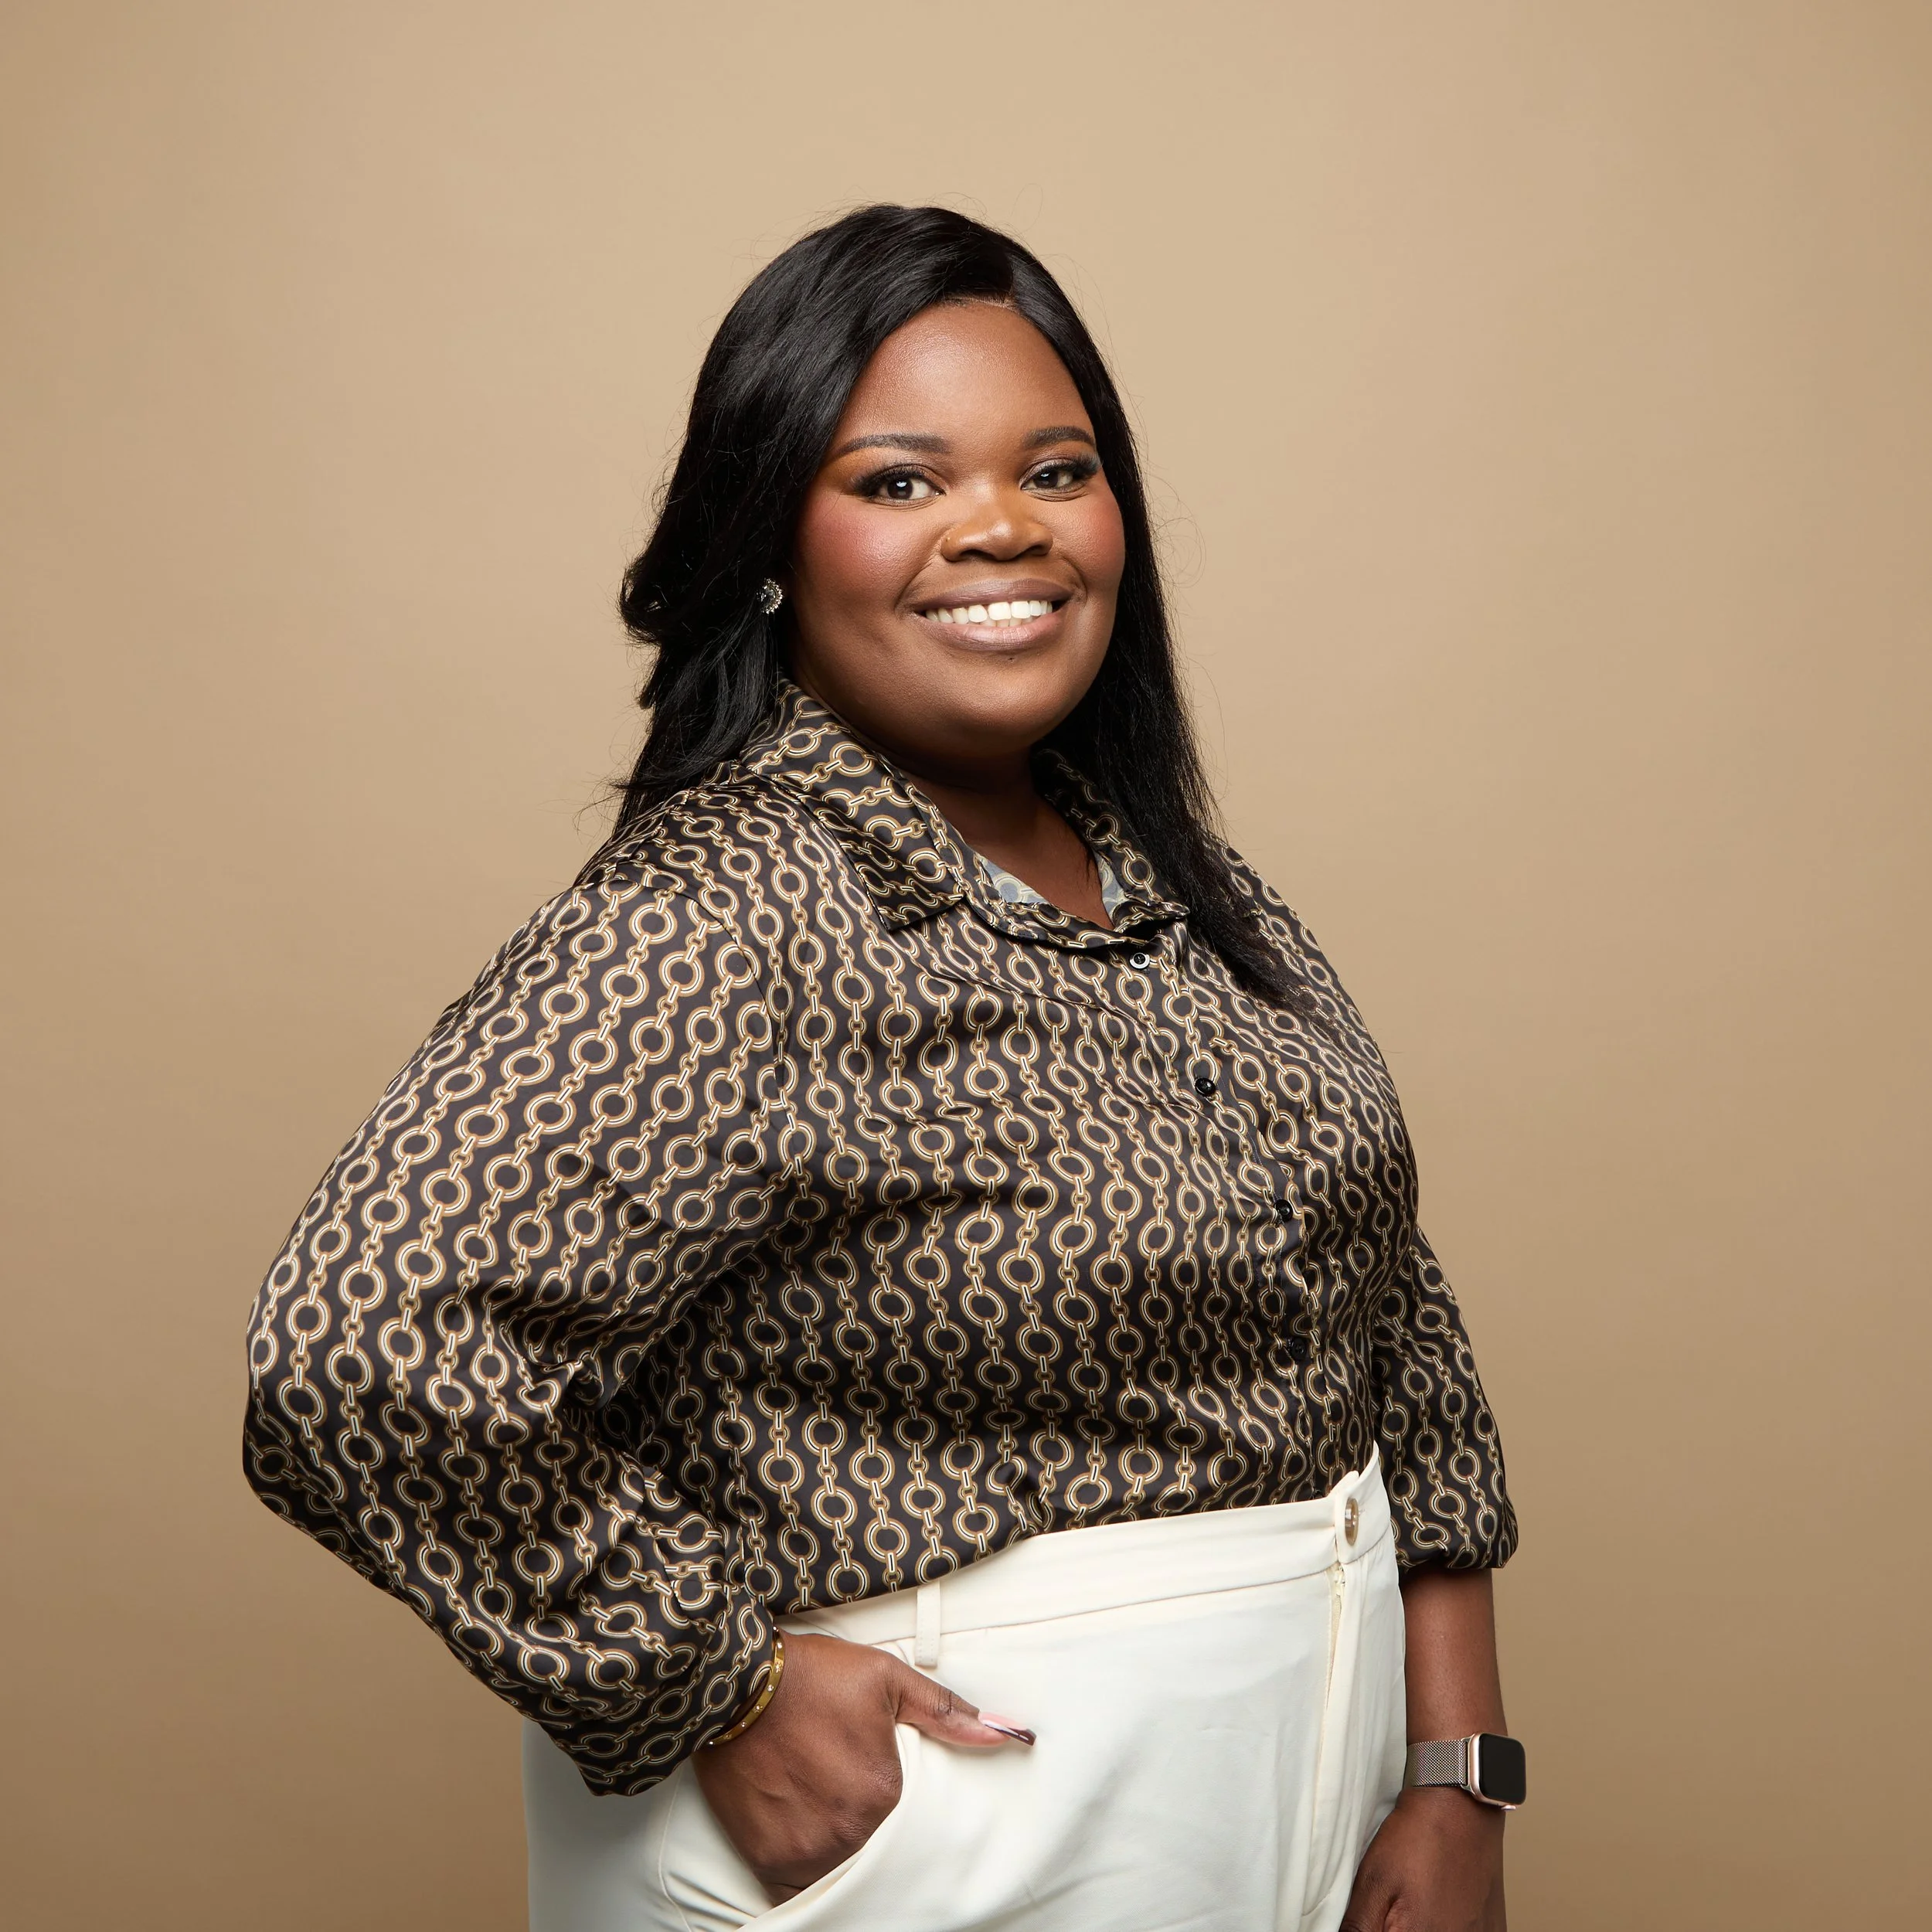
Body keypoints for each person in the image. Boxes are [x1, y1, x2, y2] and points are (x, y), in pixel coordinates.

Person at [244, 204, 1521, 1932]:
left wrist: (1452, 1773)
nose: (997, 525)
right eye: (898, 482)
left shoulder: (1182, 885)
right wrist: (714, 1683)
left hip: (1310, 1806)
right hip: (961, 1826)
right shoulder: (727, 910)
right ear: (770, 535)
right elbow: (362, 1342)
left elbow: (1391, 1322)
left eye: (1054, 468)